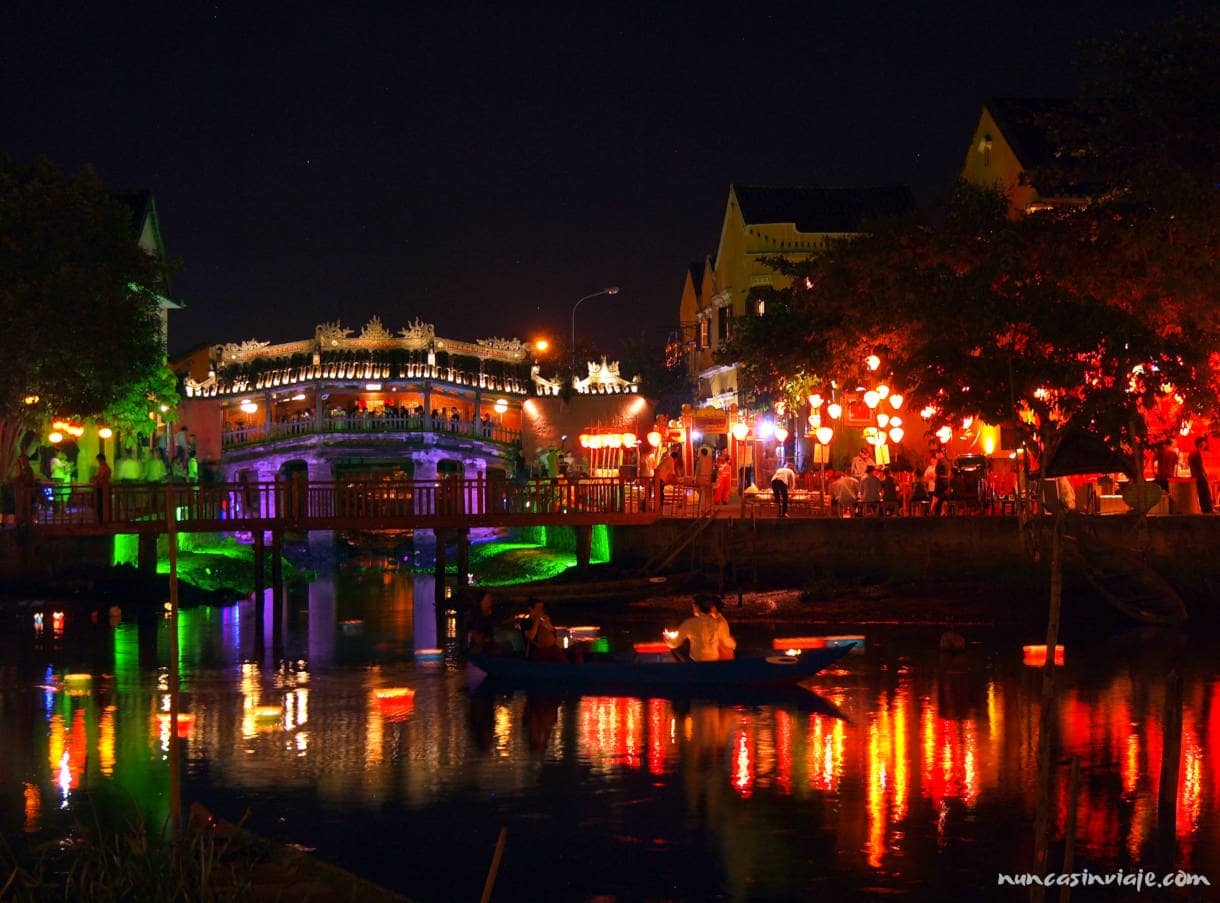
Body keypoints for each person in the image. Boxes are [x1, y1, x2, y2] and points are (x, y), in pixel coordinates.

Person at [665, 595, 736, 662]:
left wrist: (667, 639)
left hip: (697, 660)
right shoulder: (717, 623)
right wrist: (733, 644)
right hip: (713, 659)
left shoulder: (690, 623)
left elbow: (674, 643)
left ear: (697, 607)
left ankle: (685, 670)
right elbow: (726, 640)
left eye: (693, 606)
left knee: (676, 650)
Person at [1188, 436, 1213, 513]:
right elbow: (1201, 465)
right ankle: (1208, 509)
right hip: (1200, 476)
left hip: (1194, 476)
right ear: (1201, 443)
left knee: (1201, 493)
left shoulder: (1191, 453)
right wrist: (1205, 473)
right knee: (1205, 492)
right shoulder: (1197, 453)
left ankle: (1204, 508)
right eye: (1204, 443)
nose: (1205, 444)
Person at [92, 453, 111, 523]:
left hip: (102, 488)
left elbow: (103, 477)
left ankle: (102, 519)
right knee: (101, 504)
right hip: (102, 487)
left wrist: (97, 478)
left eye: (98, 460)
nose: (98, 462)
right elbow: (101, 476)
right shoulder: (104, 467)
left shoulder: (104, 467)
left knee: (101, 504)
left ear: (101, 459)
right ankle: (102, 519)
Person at [694, 447, 715, 512]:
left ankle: (702, 508)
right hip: (708, 477)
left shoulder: (700, 459)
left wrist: (695, 478)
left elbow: (698, 470)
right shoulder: (710, 459)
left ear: (701, 453)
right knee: (708, 494)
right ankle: (709, 507)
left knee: (702, 493)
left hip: (701, 477)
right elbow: (712, 469)